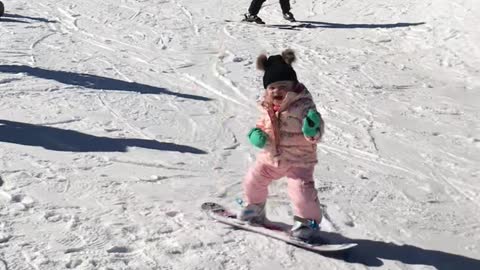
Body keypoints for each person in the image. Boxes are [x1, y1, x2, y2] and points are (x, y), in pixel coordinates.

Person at [239, 49, 324, 241]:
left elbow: (315, 131)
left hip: (299, 160)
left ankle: (307, 223)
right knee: (253, 179)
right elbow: (262, 125)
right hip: (271, 157)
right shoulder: (266, 106)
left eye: (283, 86)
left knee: (302, 192)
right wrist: (256, 134)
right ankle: (255, 209)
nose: (277, 91)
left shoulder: (303, 105)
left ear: (293, 86)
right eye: (272, 88)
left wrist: (313, 130)